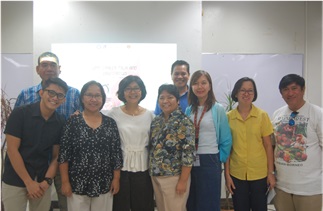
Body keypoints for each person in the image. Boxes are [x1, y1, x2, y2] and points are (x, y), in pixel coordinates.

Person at [14, 51, 81, 211]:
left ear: (59, 68)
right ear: (37, 69)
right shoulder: (25, 94)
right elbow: (16, 128)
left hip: (65, 160)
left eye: (53, 65)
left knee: (67, 202)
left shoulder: (73, 93)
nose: (49, 68)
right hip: (33, 160)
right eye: (44, 65)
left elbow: (82, 124)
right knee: (35, 201)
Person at [2, 77, 68, 211]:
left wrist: (47, 181)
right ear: (41, 93)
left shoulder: (60, 121)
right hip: (15, 179)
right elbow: (12, 150)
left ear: (64, 100)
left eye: (60, 95)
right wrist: (28, 182)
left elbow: (56, 156)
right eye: (51, 93)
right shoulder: (20, 114)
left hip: (42, 179)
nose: (55, 98)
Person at [58, 80, 123, 211]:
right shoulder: (72, 122)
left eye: (97, 95)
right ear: (82, 98)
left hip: (104, 183)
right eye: (89, 95)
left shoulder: (110, 123)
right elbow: (64, 155)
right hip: (77, 183)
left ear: (103, 99)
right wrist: (65, 182)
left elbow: (116, 154)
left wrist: (116, 179)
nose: (93, 99)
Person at [271, 74, 322, 211]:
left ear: (303, 89)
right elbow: (273, 146)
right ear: (281, 93)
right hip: (282, 187)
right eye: (285, 89)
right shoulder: (277, 114)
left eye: (294, 88)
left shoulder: (317, 113)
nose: (290, 93)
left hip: (309, 189)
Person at [104, 75, 155, 211]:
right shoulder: (113, 114)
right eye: (128, 89)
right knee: (120, 205)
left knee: (143, 205)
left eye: (136, 88)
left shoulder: (150, 115)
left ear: (142, 91)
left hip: (144, 167)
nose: (133, 92)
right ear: (122, 92)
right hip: (120, 168)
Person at [225, 77, 275, 211]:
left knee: (260, 208)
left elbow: (268, 146)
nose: (246, 94)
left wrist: (271, 173)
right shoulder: (228, 117)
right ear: (236, 93)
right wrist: (227, 175)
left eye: (250, 91)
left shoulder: (262, 115)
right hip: (237, 173)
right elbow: (227, 149)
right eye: (243, 90)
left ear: (254, 94)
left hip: (259, 173)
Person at [185, 70, 232, 211]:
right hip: (191, 161)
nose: (200, 87)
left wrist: (218, 159)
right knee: (192, 200)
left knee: (209, 202)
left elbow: (226, 139)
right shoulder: (189, 110)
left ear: (210, 86)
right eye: (195, 83)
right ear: (191, 87)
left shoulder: (217, 109)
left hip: (210, 159)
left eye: (203, 83)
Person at [149, 84, 195, 211]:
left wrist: (183, 181)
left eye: (169, 97)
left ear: (177, 100)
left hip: (175, 177)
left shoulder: (184, 122)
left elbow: (188, 154)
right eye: (162, 98)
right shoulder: (156, 121)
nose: (165, 101)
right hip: (156, 175)